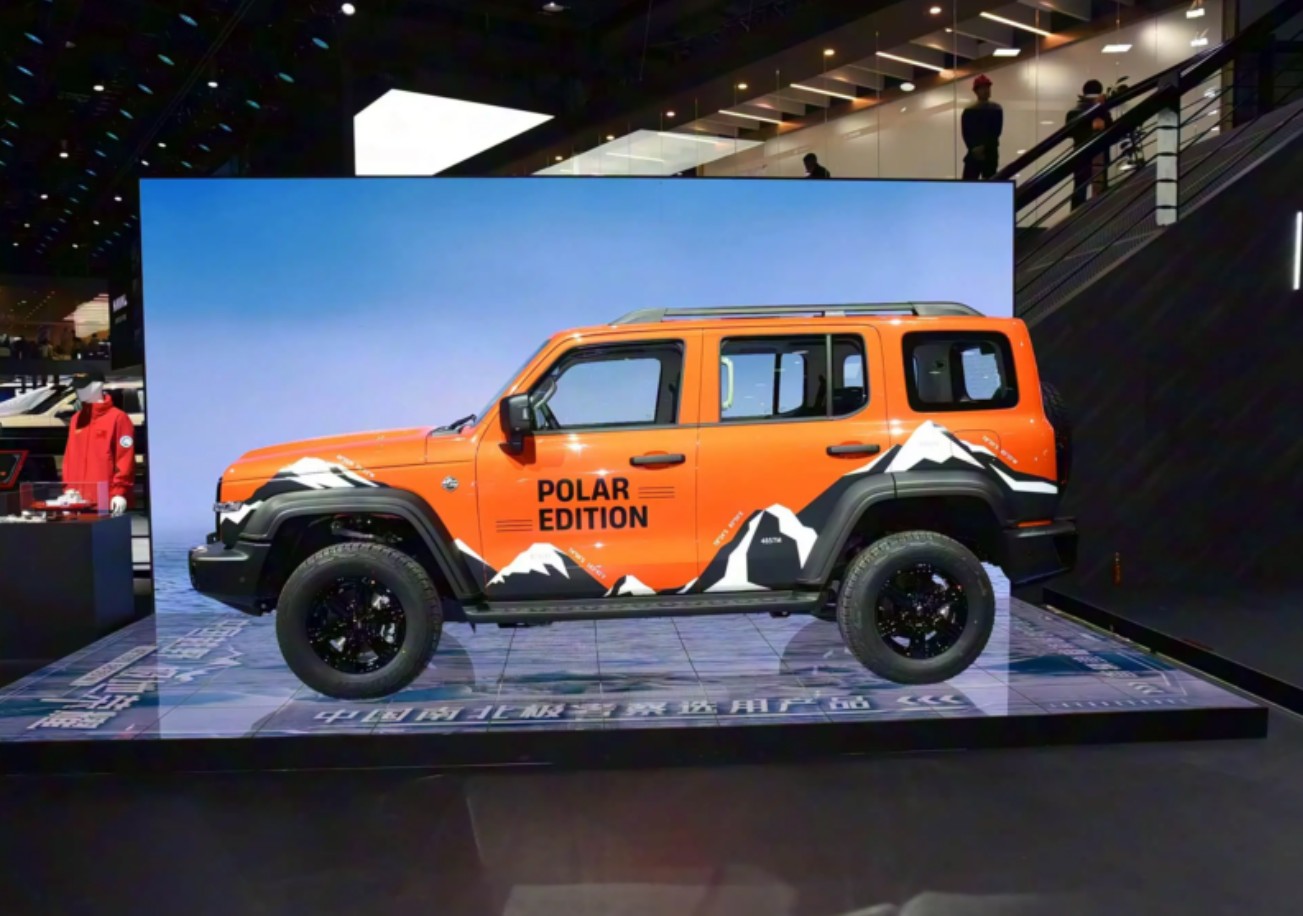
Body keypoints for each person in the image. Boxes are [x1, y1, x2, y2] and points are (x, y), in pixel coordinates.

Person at [1065, 79, 1114, 210]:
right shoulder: (1103, 110)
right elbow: (1111, 130)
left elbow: (1069, 133)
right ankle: (1098, 217)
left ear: (1083, 91)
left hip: (1080, 155)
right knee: (1100, 188)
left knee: (1079, 189)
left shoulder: (1073, 112)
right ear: (1100, 91)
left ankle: (1074, 218)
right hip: (1100, 155)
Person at [961, 75, 1003, 180]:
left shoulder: (995, 109)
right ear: (976, 91)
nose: (986, 91)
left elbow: (996, 132)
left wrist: (977, 147)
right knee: (972, 182)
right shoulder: (970, 110)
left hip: (987, 152)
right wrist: (974, 148)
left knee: (976, 182)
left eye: (987, 88)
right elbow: (966, 133)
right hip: (980, 151)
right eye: (983, 88)